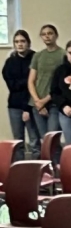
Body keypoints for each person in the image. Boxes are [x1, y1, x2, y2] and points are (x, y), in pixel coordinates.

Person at [3, 30, 39, 160]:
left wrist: (27, 108)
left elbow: (35, 85)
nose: (20, 44)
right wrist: (28, 80)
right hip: (14, 105)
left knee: (34, 140)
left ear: (28, 43)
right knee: (18, 141)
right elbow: (12, 86)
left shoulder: (36, 58)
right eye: (17, 42)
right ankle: (20, 171)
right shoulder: (10, 62)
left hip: (31, 105)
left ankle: (37, 171)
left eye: (23, 41)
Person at [27, 24, 63, 143]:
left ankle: (58, 162)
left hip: (54, 103)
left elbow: (62, 84)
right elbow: (31, 81)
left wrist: (45, 101)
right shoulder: (38, 56)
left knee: (52, 139)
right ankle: (47, 162)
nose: (47, 36)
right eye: (44, 34)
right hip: (37, 104)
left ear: (56, 35)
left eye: (50, 33)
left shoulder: (63, 55)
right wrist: (38, 101)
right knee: (44, 140)